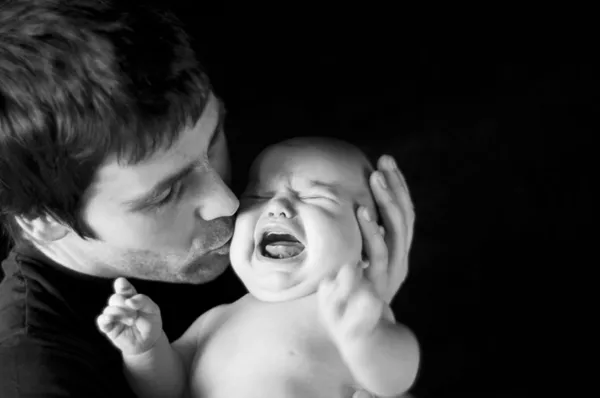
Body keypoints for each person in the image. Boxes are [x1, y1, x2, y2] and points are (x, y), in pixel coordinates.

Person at [0, 1, 415, 397]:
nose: (230, 203)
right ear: (43, 221)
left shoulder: (290, 158)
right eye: (164, 194)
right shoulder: (42, 374)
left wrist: (368, 328)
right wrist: (146, 350)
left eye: (216, 140)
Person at [98, 137, 419, 398]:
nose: (277, 207)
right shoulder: (216, 320)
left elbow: (397, 377)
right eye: (257, 196)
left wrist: (366, 340)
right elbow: (168, 388)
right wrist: (147, 348)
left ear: (367, 242)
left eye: (316, 197)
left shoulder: (349, 314)